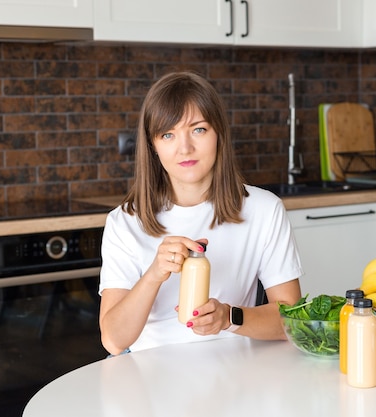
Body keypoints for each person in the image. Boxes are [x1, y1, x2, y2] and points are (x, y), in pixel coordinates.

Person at [99, 71, 303, 355]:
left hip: (237, 372)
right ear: (153, 146)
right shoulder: (125, 222)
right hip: (150, 377)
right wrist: (155, 274)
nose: (185, 148)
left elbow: (292, 321)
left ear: (218, 133)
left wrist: (229, 317)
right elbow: (113, 340)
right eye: (168, 135)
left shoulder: (264, 210)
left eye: (198, 129)